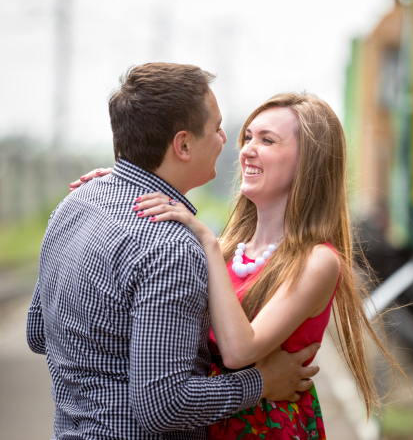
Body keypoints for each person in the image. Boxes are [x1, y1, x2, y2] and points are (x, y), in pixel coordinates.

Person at [75, 92, 404, 439]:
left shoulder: (317, 260)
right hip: (207, 418)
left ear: (309, 161)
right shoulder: (232, 246)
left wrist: (207, 242)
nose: (246, 149)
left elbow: (238, 351)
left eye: (267, 140)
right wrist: (124, 181)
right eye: (248, 137)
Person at [27, 63, 320, 440]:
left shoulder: (75, 203)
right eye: (216, 128)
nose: (225, 139)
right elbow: (166, 406)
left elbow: (38, 333)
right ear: (183, 145)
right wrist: (262, 381)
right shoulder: (170, 247)